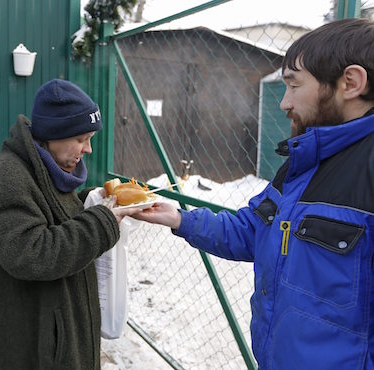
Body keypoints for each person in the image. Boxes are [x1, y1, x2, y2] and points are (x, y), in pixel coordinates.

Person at [136, 18, 374, 369]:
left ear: (350, 83)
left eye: (294, 86)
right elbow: (252, 230)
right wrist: (181, 219)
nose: (284, 103)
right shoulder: (304, 161)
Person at [0, 79, 146, 369]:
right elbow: (31, 253)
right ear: (54, 133)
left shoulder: (47, 165)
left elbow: (50, 212)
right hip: (29, 346)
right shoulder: (7, 176)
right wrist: (100, 223)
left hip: (53, 335)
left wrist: (91, 201)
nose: (87, 149)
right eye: (81, 138)